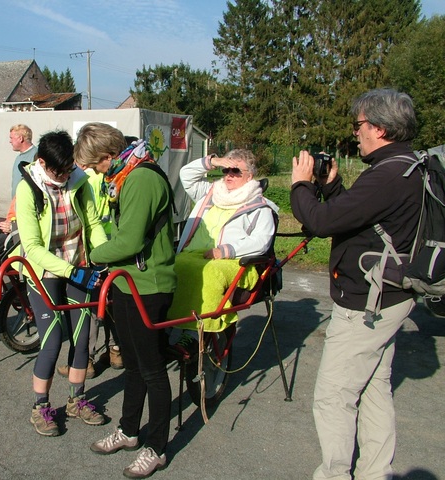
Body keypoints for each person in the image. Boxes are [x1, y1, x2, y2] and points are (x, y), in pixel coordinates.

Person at [290, 88, 422, 480]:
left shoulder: (388, 173)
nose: (355, 133)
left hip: (367, 304)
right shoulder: (408, 166)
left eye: (359, 125)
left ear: (380, 128)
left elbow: (323, 222)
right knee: (374, 389)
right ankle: (375, 473)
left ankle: (334, 475)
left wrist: (300, 185)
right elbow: (363, 220)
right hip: (394, 296)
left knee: (334, 397)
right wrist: (331, 187)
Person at [74, 122, 176, 479]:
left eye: (95, 165)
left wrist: (91, 255)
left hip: (150, 285)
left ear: (108, 156)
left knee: (152, 368)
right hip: (128, 281)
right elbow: (121, 233)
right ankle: (130, 431)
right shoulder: (124, 177)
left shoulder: (142, 179)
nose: (95, 172)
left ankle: (157, 447)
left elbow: (130, 241)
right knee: (132, 363)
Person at [10, 129, 108, 437]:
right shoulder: (29, 189)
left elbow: (92, 225)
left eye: (69, 168)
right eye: (59, 170)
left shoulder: (78, 182)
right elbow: (34, 246)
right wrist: (70, 271)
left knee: (81, 337)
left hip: (77, 263)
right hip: (44, 271)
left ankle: (76, 400)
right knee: (52, 339)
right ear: (41, 162)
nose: (65, 175)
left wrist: (103, 258)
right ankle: (41, 407)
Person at [167, 149, 278, 349]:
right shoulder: (210, 194)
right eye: (226, 169)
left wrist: (226, 251)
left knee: (209, 272)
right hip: (194, 254)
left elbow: (262, 241)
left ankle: (195, 333)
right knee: (169, 266)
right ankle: (168, 323)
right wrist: (214, 161)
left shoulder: (260, 206)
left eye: (236, 171)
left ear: (249, 176)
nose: (229, 175)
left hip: (233, 261)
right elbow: (186, 174)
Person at [56, 159, 124, 380]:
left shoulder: (87, 179)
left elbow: (87, 218)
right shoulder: (117, 175)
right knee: (112, 300)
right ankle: (116, 351)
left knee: (93, 305)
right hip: (114, 242)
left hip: (96, 247)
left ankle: (87, 360)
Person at [9, 124, 36, 197]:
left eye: (11, 138)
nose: (10, 141)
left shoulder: (36, 156)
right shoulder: (18, 158)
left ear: (20, 138)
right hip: (16, 205)